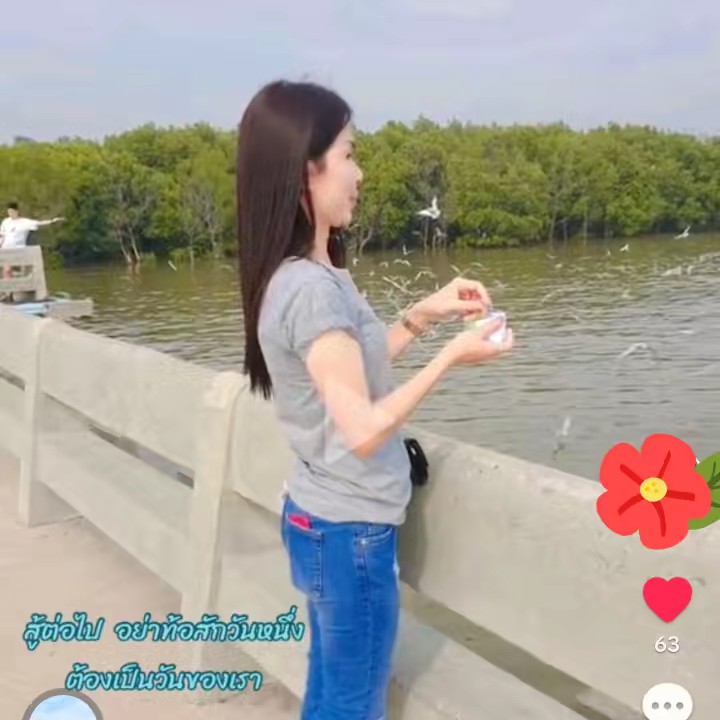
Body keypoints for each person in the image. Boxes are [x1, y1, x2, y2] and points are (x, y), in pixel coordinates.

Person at [236, 79, 514, 720]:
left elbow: (347, 373)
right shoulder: (312, 290)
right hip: (350, 533)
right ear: (306, 169)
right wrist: (451, 357)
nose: (359, 173)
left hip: (317, 517)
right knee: (354, 705)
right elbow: (361, 428)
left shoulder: (298, 274)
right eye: (349, 154)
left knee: (331, 692)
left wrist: (422, 316)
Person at [0, 202, 65, 281]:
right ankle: (8, 285)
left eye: (12, 212)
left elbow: (39, 223)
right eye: (9, 212)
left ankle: (23, 283)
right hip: (6, 249)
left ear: (17, 211)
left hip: (19, 249)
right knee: (7, 269)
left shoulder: (25, 222)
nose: (11, 214)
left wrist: (52, 221)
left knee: (22, 269)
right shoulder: (6, 222)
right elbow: (2, 235)